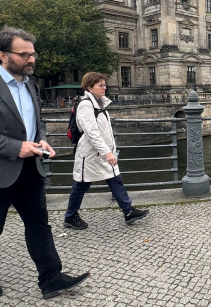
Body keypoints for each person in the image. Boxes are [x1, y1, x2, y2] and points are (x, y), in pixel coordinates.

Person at [0, 27, 89, 299]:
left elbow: (34, 122)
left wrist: (40, 140)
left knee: (39, 224)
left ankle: (51, 277)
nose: (32, 59)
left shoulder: (30, 84)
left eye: (33, 54)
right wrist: (17, 147)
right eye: (24, 54)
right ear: (3, 55)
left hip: (29, 168)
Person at [63, 72, 149, 230]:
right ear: (89, 87)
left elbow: (104, 131)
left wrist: (110, 151)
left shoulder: (99, 103)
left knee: (115, 179)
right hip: (90, 154)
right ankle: (70, 216)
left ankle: (128, 211)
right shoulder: (86, 105)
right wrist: (107, 153)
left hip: (102, 153)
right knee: (81, 185)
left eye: (104, 84)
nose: (104, 87)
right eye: (100, 85)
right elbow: (92, 133)